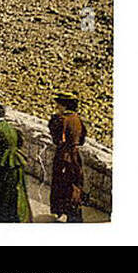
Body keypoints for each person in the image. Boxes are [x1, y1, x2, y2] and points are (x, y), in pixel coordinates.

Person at [0, 105, 33, 223]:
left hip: (2, 160)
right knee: (16, 188)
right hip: (16, 160)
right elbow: (19, 143)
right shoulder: (12, 127)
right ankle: (16, 215)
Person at [49, 91, 87, 223]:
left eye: (59, 104)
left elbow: (56, 139)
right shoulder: (77, 119)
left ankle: (63, 211)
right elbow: (82, 140)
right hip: (75, 156)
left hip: (63, 156)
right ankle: (74, 212)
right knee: (75, 183)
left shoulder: (61, 120)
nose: (57, 106)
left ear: (64, 105)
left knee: (61, 183)